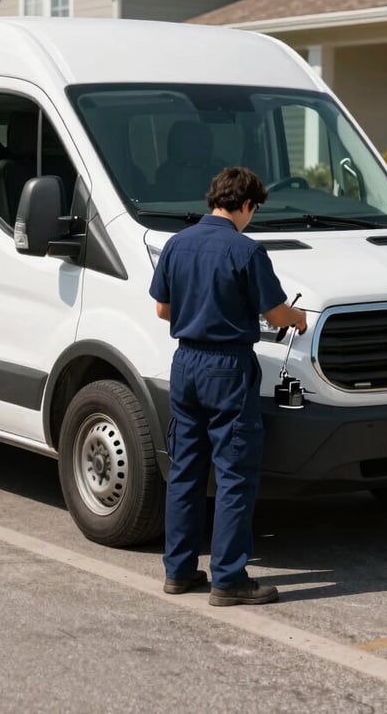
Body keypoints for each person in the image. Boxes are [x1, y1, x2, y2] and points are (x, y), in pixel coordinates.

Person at [149, 166, 307, 606]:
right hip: (229, 368)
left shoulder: (176, 245)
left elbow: (163, 310)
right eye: (253, 210)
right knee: (235, 474)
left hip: (185, 363)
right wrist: (296, 317)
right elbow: (276, 315)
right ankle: (229, 579)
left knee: (185, 470)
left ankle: (179, 572)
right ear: (247, 204)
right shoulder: (247, 251)